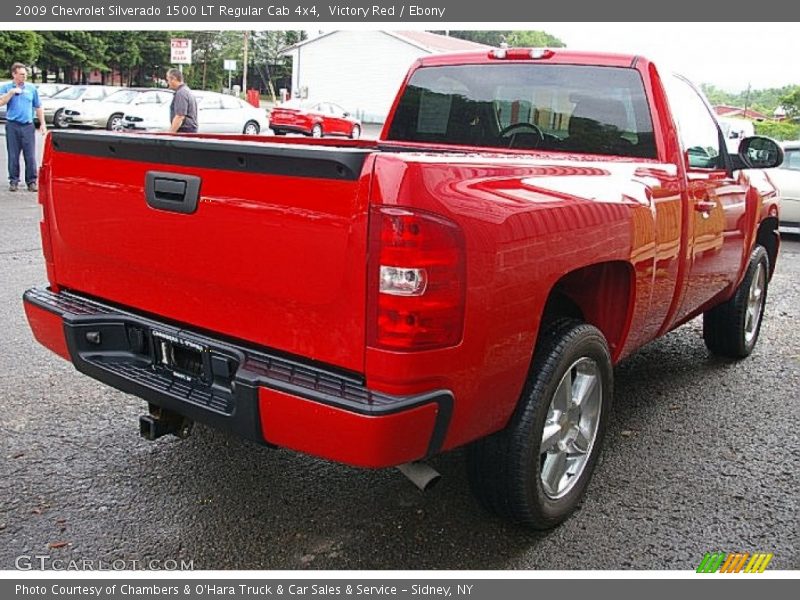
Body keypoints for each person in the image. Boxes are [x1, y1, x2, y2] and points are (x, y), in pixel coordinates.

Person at [0, 63, 46, 192]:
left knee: (30, 155)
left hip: (27, 125)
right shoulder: (6, 87)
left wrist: (42, 123)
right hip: (12, 125)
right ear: (14, 74)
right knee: (13, 155)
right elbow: (1, 102)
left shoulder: (31, 88)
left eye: (25, 74)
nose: (24, 77)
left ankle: (31, 181)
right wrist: (11, 93)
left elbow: (38, 106)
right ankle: (13, 181)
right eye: (21, 74)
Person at [166, 68, 198, 133]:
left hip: (184, 132)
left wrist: (170, 133)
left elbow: (180, 116)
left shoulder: (181, 93)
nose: (168, 83)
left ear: (174, 79)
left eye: (168, 80)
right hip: (190, 131)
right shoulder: (186, 90)